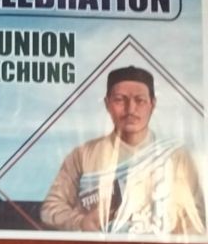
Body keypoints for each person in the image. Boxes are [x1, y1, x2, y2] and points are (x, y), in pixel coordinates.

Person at [40, 65, 206, 235]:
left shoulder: (176, 157)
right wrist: (81, 222)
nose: (130, 109)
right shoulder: (83, 155)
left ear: (152, 104)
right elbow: (50, 209)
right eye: (120, 99)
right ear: (107, 104)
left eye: (140, 100)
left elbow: (196, 220)